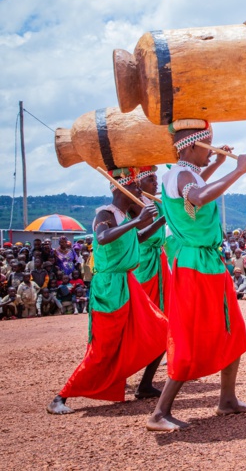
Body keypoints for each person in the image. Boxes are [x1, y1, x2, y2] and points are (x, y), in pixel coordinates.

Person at [147, 121, 246, 431]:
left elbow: (195, 190)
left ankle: (227, 399)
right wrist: (238, 171)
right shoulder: (181, 175)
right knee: (189, 334)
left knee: (231, 328)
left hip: (206, 262)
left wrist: (218, 164)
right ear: (192, 146)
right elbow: (197, 197)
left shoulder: (185, 174)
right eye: (208, 146)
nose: (211, 151)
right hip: (194, 263)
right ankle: (159, 413)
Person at [47, 167, 169, 415]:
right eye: (135, 187)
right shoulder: (106, 213)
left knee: (163, 330)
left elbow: (138, 238)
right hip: (109, 288)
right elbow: (102, 238)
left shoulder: (123, 215)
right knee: (103, 348)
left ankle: (145, 385)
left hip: (127, 283)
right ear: (122, 189)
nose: (140, 192)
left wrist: (163, 219)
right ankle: (60, 397)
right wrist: (136, 221)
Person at [130, 167, 171, 314]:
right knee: (144, 301)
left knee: (165, 299)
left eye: (156, 180)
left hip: (159, 257)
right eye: (150, 180)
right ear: (138, 183)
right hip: (143, 258)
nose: (155, 183)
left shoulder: (156, 204)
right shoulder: (134, 204)